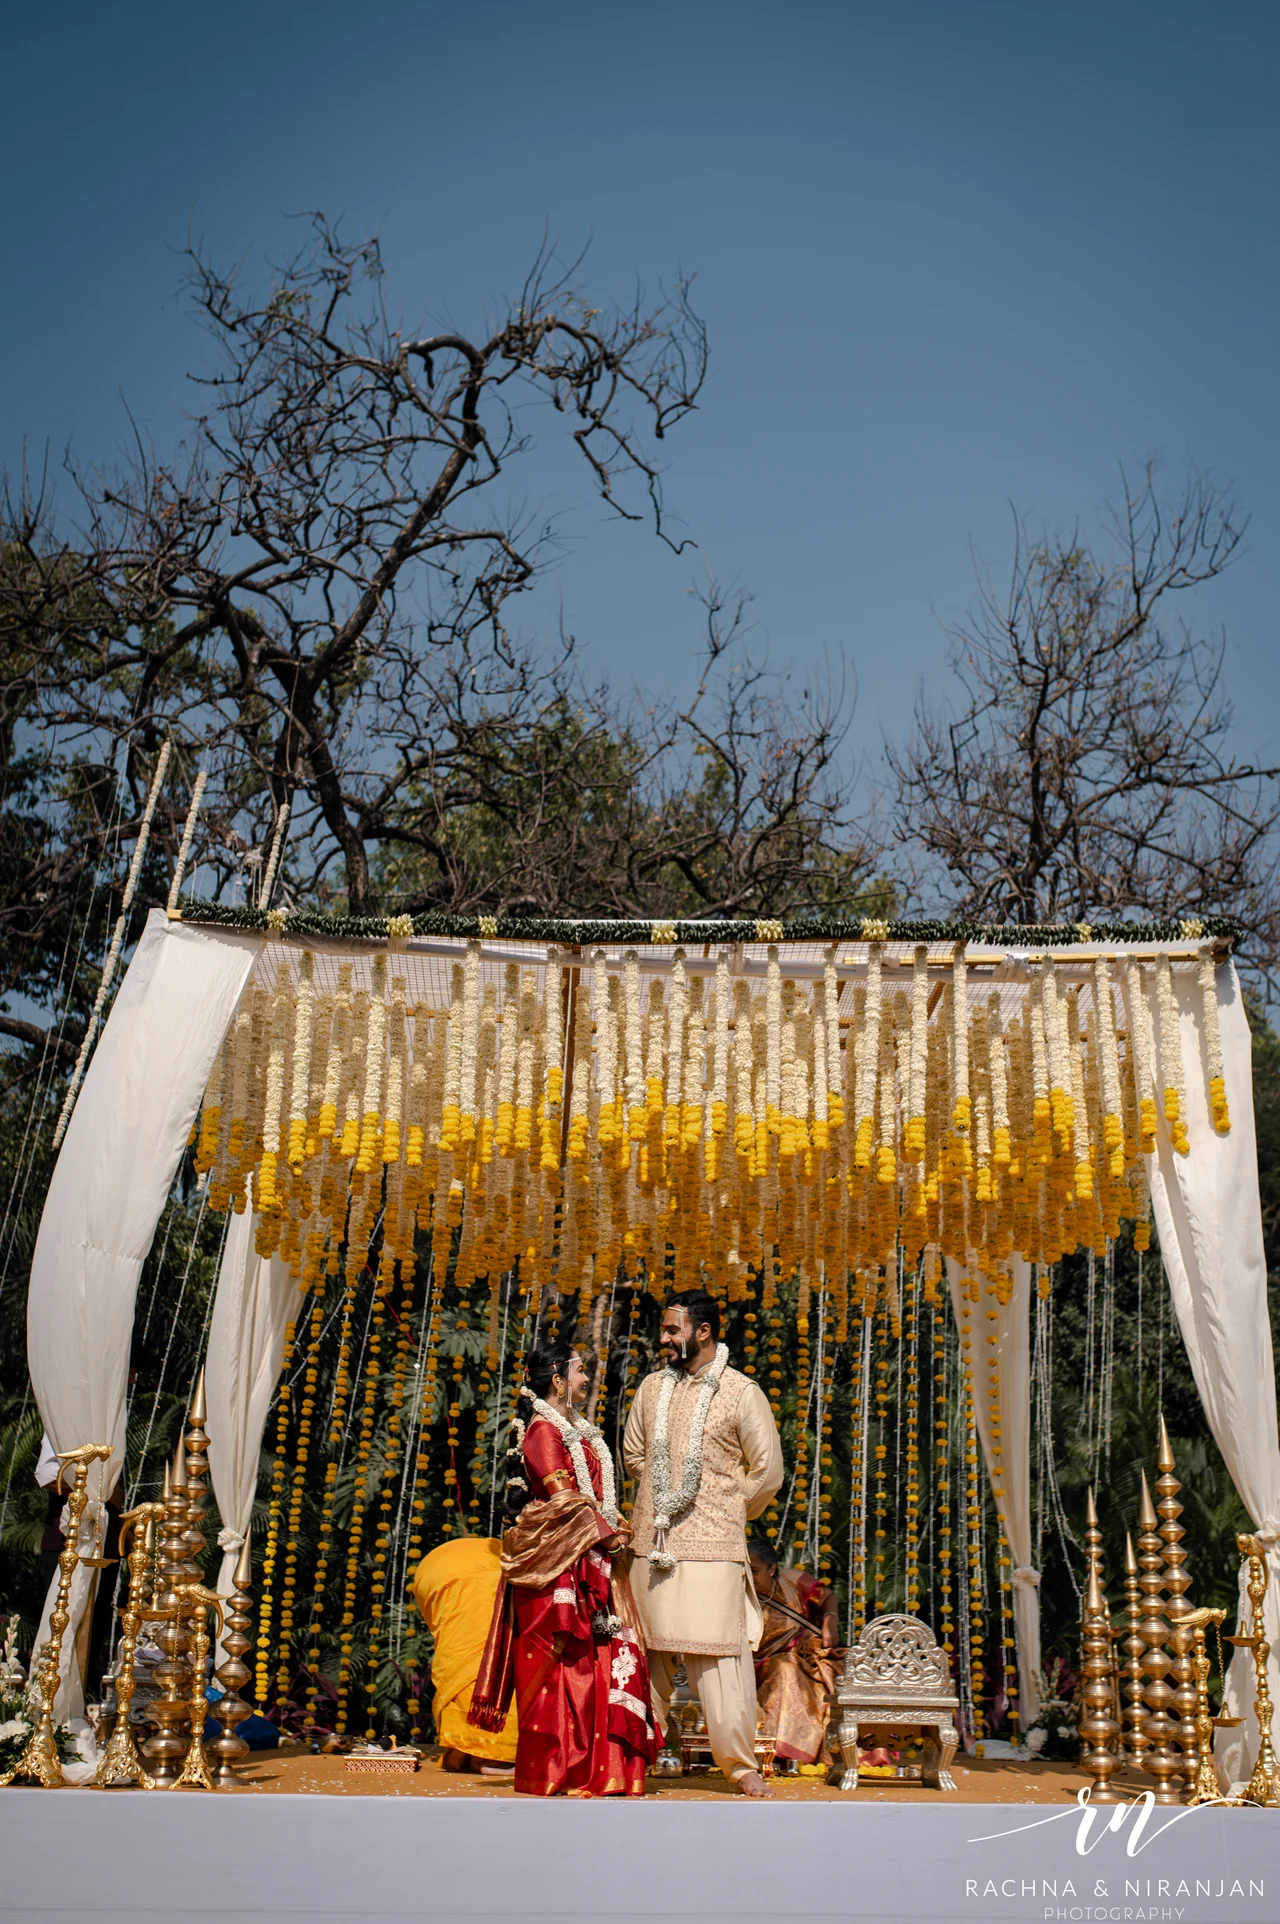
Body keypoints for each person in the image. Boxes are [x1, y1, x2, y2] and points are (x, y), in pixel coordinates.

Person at [469, 1339, 657, 1796]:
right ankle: (554, 1771)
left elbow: (587, 1500)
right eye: (579, 1371)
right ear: (557, 1379)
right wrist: (608, 1532)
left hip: (588, 1555)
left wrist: (610, 1529)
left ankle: (594, 1770)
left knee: (597, 1665)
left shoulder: (577, 1429)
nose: (587, 1378)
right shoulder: (542, 1431)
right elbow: (564, 1500)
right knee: (558, 1670)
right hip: (554, 1566)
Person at [623, 1289, 783, 1798]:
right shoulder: (651, 1388)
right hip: (654, 1541)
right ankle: (628, 1756)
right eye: (664, 1328)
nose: (663, 1338)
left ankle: (737, 1765)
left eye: (672, 1330)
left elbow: (768, 1471)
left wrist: (729, 1504)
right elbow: (633, 1454)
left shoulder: (740, 1392)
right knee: (643, 1653)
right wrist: (662, 1496)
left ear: (703, 1331)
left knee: (718, 1655)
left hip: (714, 1545)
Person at [412, 1536, 517, 1775]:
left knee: (461, 1653)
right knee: (488, 1656)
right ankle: (495, 1756)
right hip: (475, 1575)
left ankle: (466, 1751)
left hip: (434, 1571)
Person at [747, 1537, 841, 1769]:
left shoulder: (792, 1580)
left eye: (754, 1571)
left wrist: (830, 1621)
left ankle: (836, 1752)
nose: (747, 1577)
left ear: (772, 1570)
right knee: (786, 1670)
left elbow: (827, 1596)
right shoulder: (737, 1592)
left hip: (805, 1653)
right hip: (757, 1663)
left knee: (834, 1677)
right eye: (744, 1570)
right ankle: (782, 1752)